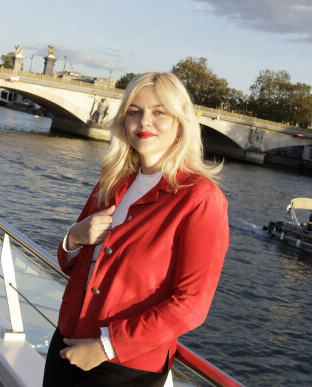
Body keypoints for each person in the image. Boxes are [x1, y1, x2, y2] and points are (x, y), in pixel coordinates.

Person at [43, 72, 229, 386]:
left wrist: (107, 346)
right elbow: (69, 264)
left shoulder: (200, 198)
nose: (144, 121)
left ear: (180, 122)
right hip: (67, 345)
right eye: (135, 111)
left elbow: (191, 305)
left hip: (125, 368)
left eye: (159, 112)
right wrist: (75, 236)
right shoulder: (112, 181)